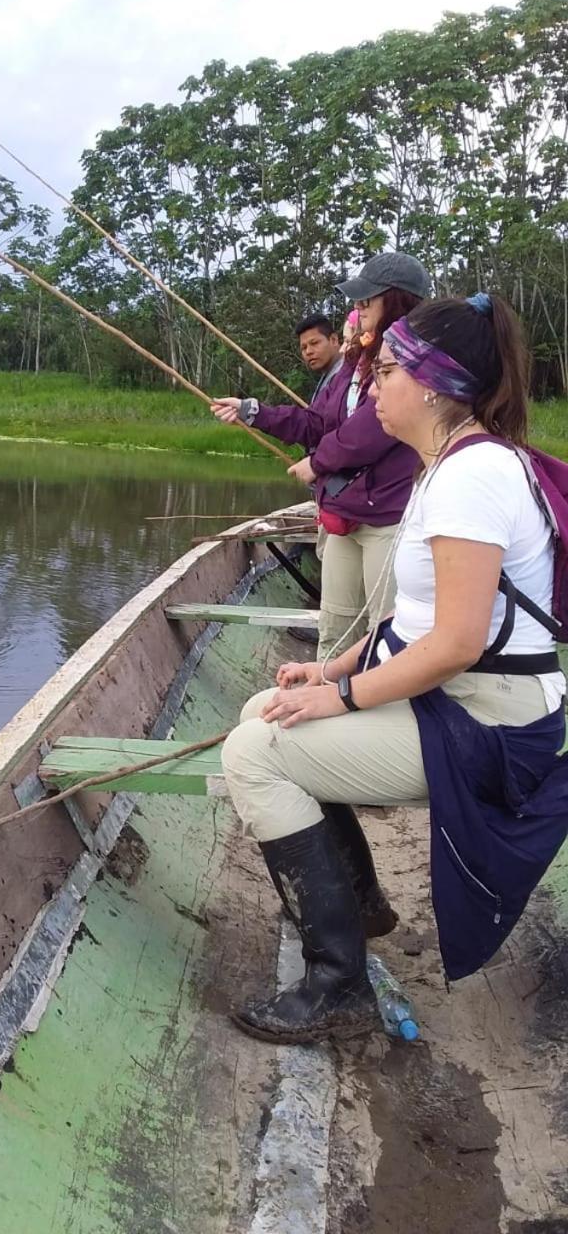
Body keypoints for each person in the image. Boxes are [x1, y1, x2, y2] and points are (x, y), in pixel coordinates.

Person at [220, 293, 568, 1044]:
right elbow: (413, 623)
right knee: (262, 712)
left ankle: (336, 986)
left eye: (384, 371)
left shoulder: (474, 477)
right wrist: (334, 668)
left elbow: (457, 643)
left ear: (434, 383)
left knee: (253, 754)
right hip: (462, 703)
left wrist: (342, 697)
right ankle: (361, 899)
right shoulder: (449, 464)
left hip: (491, 725)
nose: (371, 386)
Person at [211, 252, 432, 662]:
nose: (359, 306)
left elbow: (372, 428)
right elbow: (316, 424)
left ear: (397, 300)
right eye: (359, 299)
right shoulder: (356, 363)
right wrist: (252, 411)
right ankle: (326, 696)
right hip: (345, 514)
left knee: (384, 633)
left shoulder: (414, 360)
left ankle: (377, 709)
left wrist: (317, 462)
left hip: (387, 517)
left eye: (369, 298)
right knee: (335, 627)